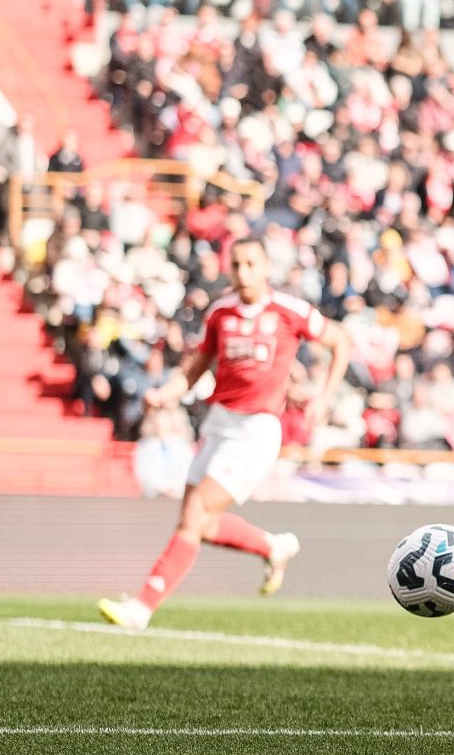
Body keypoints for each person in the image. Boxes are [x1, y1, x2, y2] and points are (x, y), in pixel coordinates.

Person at [99, 238, 350, 629]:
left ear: (266, 266)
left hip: (257, 428)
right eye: (237, 264)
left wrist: (323, 396)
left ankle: (142, 608)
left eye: (252, 263)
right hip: (220, 422)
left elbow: (341, 342)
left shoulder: (289, 310)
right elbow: (196, 368)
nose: (244, 272)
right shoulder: (221, 312)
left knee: (196, 515)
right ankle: (272, 546)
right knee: (198, 520)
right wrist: (166, 392)